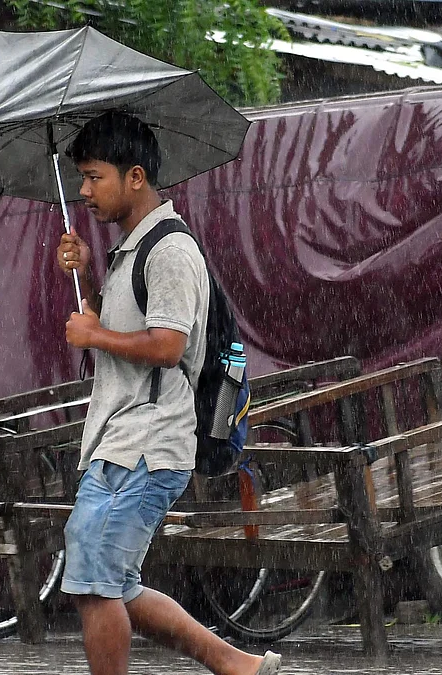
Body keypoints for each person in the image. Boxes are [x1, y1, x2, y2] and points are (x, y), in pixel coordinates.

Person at [56, 111, 282, 675]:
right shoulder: (131, 249)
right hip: (122, 435)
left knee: (94, 580)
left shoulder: (170, 250)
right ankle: (234, 664)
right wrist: (86, 281)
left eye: (93, 177)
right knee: (110, 582)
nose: (84, 191)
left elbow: (166, 345)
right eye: (81, 179)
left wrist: (92, 332)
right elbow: (125, 338)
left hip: (149, 440)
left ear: (135, 177)